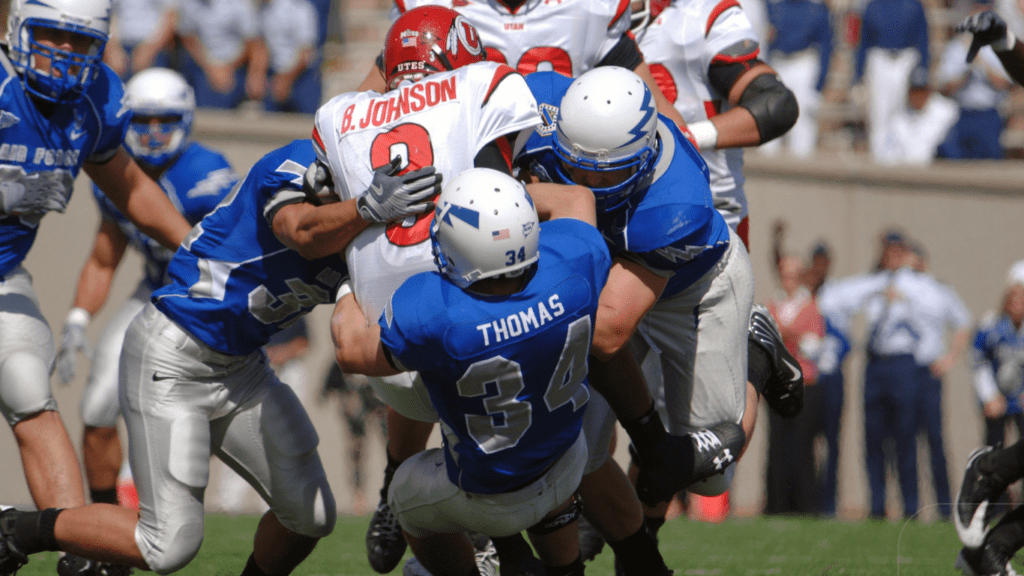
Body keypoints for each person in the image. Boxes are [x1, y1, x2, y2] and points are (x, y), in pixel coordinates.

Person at [0, 138, 442, 576]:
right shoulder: (292, 169)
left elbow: (353, 331)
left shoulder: (369, 242)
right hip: (175, 352)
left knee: (312, 515)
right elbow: (300, 231)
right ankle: (15, 529)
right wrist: (364, 207)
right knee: (168, 544)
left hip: (242, 368)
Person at [311, 7, 555, 574]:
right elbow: (501, 188)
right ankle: (527, 539)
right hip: (474, 331)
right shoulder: (482, 83)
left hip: (380, 349)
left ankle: (399, 484)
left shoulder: (339, 114)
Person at [333, 167, 612, 576]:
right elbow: (577, 199)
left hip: (491, 499)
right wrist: (505, 212)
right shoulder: (574, 259)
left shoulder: (437, 311)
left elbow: (350, 350)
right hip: (568, 459)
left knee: (404, 491)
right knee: (547, 457)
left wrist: (344, 282)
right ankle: (563, 568)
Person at [0, 0, 194, 572]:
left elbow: (130, 185)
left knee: (29, 390)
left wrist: (197, 250)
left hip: (4, 273)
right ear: (18, 28)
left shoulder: (94, 101)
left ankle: (73, 546)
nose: (62, 51)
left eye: (78, 40)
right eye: (52, 34)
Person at [53, 67, 239, 513]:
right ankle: (103, 523)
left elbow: (236, 257)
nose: (154, 134)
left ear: (187, 120)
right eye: (143, 122)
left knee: (175, 418)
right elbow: (104, 257)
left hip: (206, 304)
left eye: (165, 122)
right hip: (154, 293)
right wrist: (78, 316)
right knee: (97, 409)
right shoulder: (115, 171)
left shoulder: (206, 174)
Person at [953, 265, 1024, 575]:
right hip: (1000, 401)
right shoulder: (991, 326)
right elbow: (978, 360)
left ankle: (990, 551)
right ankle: (990, 471)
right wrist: (989, 395)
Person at [908, 243, 972, 522]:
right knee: (906, 440)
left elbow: (964, 322)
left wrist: (950, 358)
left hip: (929, 372)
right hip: (905, 371)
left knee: (935, 438)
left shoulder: (938, 289)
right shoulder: (898, 287)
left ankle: (945, 507)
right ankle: (910, 507)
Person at [763, 256, 824, 515]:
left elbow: (812, 347)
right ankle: (776, 504)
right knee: (776, 445)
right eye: (785, 275)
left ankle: (805, 505)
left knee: (802, 445)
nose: (788, 281)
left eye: (793, 275)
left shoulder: (810, 306)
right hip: (777, 383)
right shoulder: (771, 305)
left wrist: (789, 335)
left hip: (803, 384)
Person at [852, 0, 930, 163]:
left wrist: (923, 68)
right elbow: (863, 41)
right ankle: (879, 159)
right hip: (880, 58)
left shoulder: (914, 5)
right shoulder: (873, 6)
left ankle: (906, 159)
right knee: (879, 112)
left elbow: (922, 37)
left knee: (904, 114)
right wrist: (858, 74)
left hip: (906, 58)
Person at [937, 1, 1013, 160]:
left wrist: (982, 64)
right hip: (963, 113)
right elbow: (945, 88)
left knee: (990, 164)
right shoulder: (957, 47)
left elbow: (1004, 84)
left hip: (989, 115)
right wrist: (966, 71)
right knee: (957, 163)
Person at [760, 0, 834, 158]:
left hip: (803, 63)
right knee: (771, 116)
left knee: (802, 117)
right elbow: (767, 41)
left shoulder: (817, 10)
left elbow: (826, 46)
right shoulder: (775, 8)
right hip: (778, 62)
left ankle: (802, 164)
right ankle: (768, 168)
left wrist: (819, 85)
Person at [321, 362, 386, 516]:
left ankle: (393, 492)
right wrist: (346, 398)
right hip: (356, 415)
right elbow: (329, 387)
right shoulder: (342, 360)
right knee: (357, 451)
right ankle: (359, 496)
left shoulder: (379, 355)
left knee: (390, 448)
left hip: (379, 408)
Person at [177, 0, 268, 109]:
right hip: (202, 64)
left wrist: (229, 68)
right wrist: (210, 68)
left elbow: (252, 43)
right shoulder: (190, 4)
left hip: (235, 65)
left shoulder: (240, 5)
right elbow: (188, 37)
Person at [259, 0, 323, 114]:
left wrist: (285, 80)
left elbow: (307, 52)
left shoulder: (301, 9)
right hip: (275, 74)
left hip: (302, 76)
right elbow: (262, 46)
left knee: (307, 125)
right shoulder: (264, 10)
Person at [888, 66, 960, 166]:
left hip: (938, 172)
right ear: (909, 92)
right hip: (905, 173)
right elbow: (888, 154)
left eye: (922, 91)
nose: (918, 96)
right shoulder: (898, 117)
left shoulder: (948, 111)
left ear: (929, 90)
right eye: (915, 91)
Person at [103, 0, 178, 79]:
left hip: (155, 48)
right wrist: (113, 49)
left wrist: (149, 51)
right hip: (119, 46)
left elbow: (171, 15)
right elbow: (106, 12)